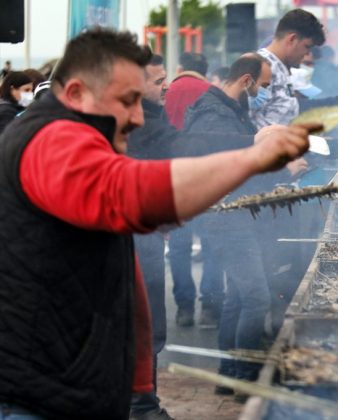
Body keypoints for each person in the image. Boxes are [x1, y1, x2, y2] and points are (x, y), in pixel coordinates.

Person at [0, 28, 314, 419]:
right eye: (128, 101)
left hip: (77, 387)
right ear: (77, 93)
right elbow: (130, 197)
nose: (136, 117)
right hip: (38, 397)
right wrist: (253, 157)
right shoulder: (48, 141)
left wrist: (139, 386)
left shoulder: (86, 138)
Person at [183, 53, 294, 399]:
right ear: (246, 81)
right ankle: (245, 379)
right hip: (224, 216)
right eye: (261, 86)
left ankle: (228, 376)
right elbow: (230, 164)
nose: (262, 92)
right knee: (257, 298)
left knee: (237, 297)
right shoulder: (212, 114)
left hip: (233, 213)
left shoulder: (228, 110)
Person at [126, 53, 178, 420]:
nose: (166, 87)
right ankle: (141, 407)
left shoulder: (149, 117)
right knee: (143, 326)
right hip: (128, 237)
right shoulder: (130, 122)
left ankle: (144, 404)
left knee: (149, 325)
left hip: (142, 233)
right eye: (159, 80)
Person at [163, 51, 223, 327]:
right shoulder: (212, 92)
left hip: (173, 179)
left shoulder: (167, 90)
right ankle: (210, 306)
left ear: (180, 68)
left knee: (179, 246)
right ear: (204, 70)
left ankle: (184, 307)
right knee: (211, 243)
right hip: (208, 178)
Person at [251, 8, 326, 128]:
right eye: (307, 46)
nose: (306, 53)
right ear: (292, 39)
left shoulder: (281, 68)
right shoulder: (260, 66)